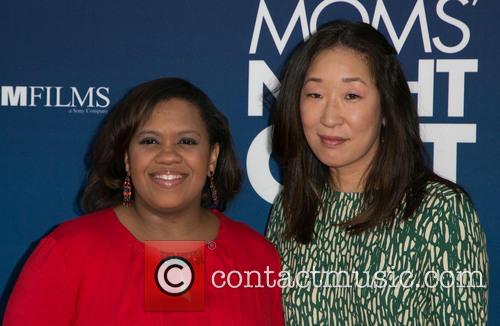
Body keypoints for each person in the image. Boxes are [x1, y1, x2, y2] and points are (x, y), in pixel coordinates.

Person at [4, 78, 284, 325]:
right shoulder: (66, 253)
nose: (168, 156)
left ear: (212, 157)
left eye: (186, 141)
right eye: (149, 141)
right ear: (127, 157)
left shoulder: (257, 258)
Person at [266, 20, 488, 325]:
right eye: (315, 95)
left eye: (352, 96)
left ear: (386, 108)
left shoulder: (442, 212)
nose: (329, 118)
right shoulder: (290, 209)